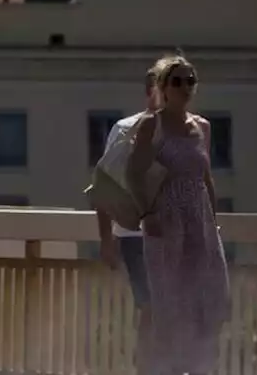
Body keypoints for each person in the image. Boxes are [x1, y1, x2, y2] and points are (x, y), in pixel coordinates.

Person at [127, 54, 230, 375]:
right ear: (163, 87)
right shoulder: (151, 125)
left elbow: (206, 176)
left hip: (198, 223)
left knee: (206, 299)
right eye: (177, 81)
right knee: (169, 303)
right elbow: (133, 173)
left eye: (190, 80)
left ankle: (199, 367)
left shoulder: (203, 127)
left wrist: (213, 221)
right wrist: (148, 213)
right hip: (166, 225)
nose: (185, 87)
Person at [95, 66, 160, 365]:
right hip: (137, 234)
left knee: (176, 309)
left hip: (177, 233)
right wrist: (106, 238)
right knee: (153, 307)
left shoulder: (190, 128)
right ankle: (147, 367)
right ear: (150, 91)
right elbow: (104, 183)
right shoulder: (125, 129)